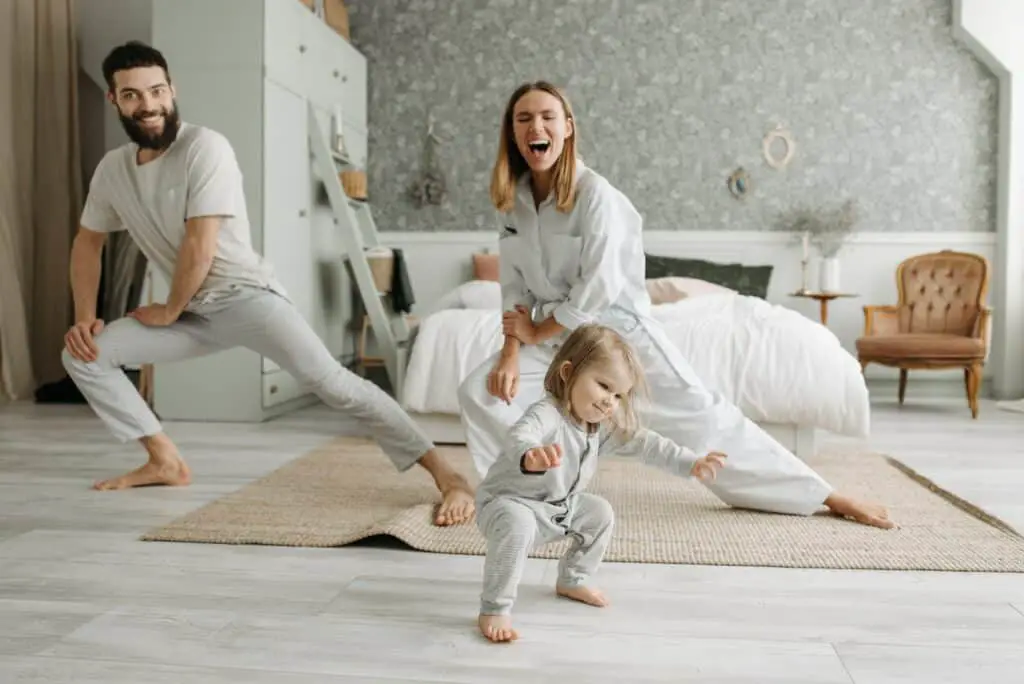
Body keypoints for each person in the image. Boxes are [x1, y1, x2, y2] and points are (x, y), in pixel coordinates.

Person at [60, 41, 474, 526]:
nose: (148, 105)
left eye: (156, 91)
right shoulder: (113, 170)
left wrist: (169, 310)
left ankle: (448, 475)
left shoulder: (204, 147)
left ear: (172, 89)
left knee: (337, 386)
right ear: (114, 100)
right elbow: (88, 243)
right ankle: (164, 460)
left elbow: (201, 245)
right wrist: (85, 319)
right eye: (132, 95)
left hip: (245, 299)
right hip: (189, 312)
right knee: (83, 355)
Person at [457, 80, 895, 530]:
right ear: (512, 134)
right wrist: (512, 350)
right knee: (483, 392)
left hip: (614, 331)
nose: (536, 126)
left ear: (568, 128)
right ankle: (523, 494)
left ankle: (821, 493)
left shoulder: (597, 196)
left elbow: (598, 287)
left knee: (701, 414)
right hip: (550, 338)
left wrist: (538, 331)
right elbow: (513, 289)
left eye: (547, 116)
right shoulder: (514, 204)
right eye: (523, 119)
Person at [476, 324, 725, 643]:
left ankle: (572, 578)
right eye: (604, 386)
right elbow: (520, 434)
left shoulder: (598, 427)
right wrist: (530, 455)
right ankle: (494, 608)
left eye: (619, 395)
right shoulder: (548, 414)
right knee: (518, 526)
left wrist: (691, 462)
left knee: (600, 513)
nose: (610, 401)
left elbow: (645, 443)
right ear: (568, 373)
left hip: (558, 507)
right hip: (508, 504)